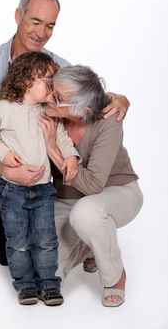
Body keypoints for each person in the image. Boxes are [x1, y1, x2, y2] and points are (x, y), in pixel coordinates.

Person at [0, 0, 130, 266]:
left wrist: (123, 99)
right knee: (5, 256)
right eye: (35, 21)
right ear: (19, 15)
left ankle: (91, 238)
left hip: (45, 175)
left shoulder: (60, 67)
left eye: (50, 25)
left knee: (43, 246)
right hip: (1, 174)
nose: (41, 33)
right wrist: (5, 166)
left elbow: (87, 99)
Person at [0, 51, 81, 306]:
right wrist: (4, 153)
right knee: (18, 241)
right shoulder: (4, 108)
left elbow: (62, 139)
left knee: (46, 239)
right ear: (25, 80)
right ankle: (24, 284)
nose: (51, 85)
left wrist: (71, 157)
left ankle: (48, 284)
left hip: (43, 189)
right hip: (12, 190)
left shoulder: (47, 112)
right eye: (46, 80)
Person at [36, 65, 144, 307]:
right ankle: (91, 246)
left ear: (82, 110)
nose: (48, 99)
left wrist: (53, 149)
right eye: (52, 90)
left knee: (86, 213)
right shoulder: (50, 112)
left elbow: (94, 184)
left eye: (58, 98)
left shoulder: (108, 120)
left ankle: (114, 276)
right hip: (67, 197)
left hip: (115, 190)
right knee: (45, 273)